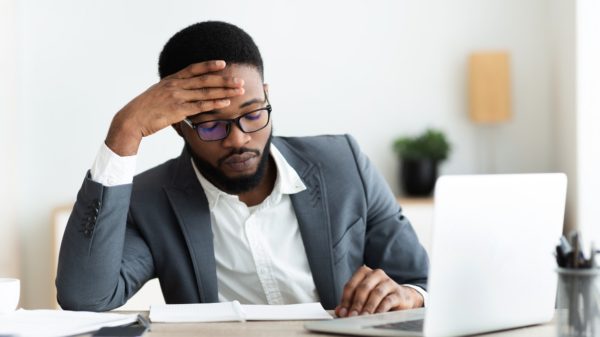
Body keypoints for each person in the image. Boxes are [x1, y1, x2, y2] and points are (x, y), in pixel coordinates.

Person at [56, 21, 428, 317]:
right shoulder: (151, 201)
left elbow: (421, 280)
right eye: (212, 125)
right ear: (177, 125)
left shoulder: (343, 163)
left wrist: (408, 296)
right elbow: (85, 297)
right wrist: (125, 130)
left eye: (252, 114)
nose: (238, 140)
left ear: (267, 95)